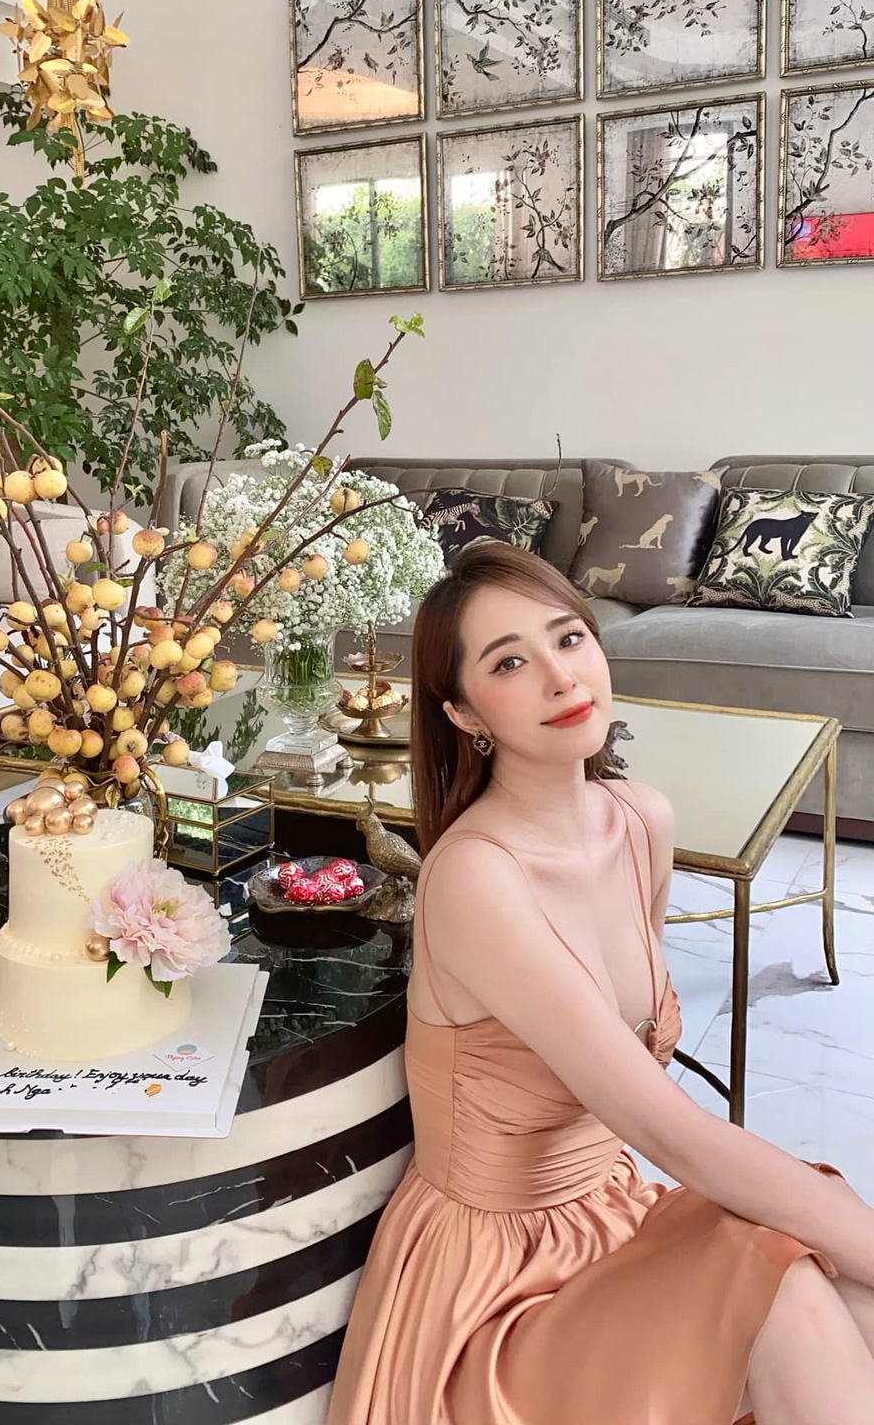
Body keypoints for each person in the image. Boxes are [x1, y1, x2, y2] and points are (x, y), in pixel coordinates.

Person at [326, 541, 874, 1425]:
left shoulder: (640, 820)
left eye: (570, 638)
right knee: (790, 1282)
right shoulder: (475, 879)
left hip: (609, 1219)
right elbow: (671, 1131)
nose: (560, 677)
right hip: (493, 1286)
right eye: (509, 663)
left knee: (845, 1288)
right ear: (464, 711)